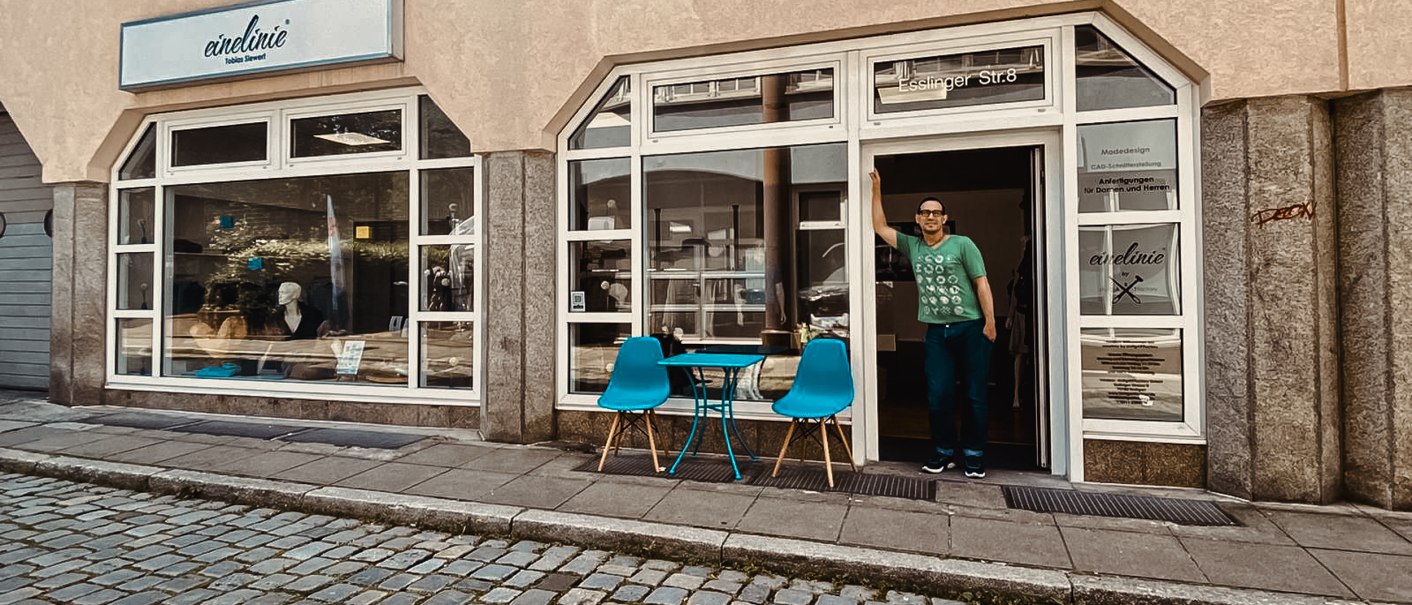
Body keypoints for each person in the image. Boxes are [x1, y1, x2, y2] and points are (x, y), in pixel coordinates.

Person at [870, 169, 997, 478]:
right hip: (937, 333)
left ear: (944, 218)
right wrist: (877, 189)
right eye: (925, 212)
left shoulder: (963, 244)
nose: (930, 217)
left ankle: (974, 455)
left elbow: (981, 282)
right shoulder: (913, 246)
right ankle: (943, 453)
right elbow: (880, 227)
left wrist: (990, 322)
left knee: (974, 395)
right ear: (918, 219)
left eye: (936, 213)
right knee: (939, 395)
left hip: (970, 328)